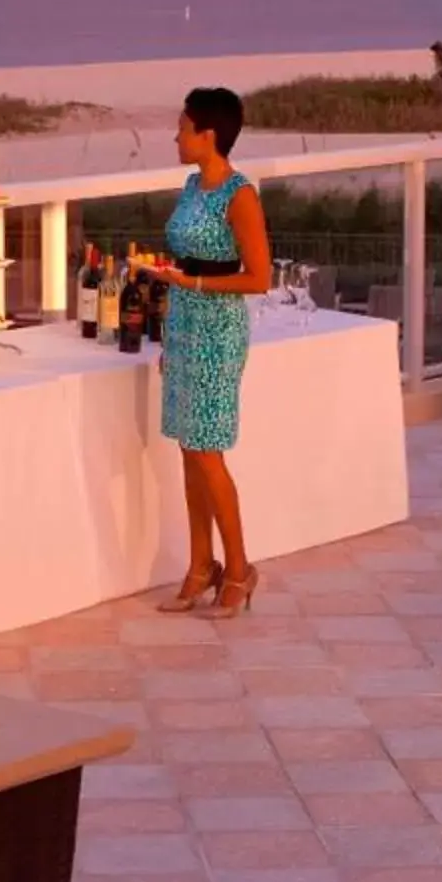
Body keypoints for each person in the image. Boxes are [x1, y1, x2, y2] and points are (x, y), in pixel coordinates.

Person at [158, 87, 274, 618]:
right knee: (188, 451)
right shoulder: (190, 185)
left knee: (208, 453)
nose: (177, 137)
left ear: (209, 135)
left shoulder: (239, 194)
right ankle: (200, 566)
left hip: (218, 330)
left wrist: (197, 285)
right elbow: (187, 257)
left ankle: (242, 568)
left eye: (184, 128)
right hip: (182, 324)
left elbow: (259, 277)